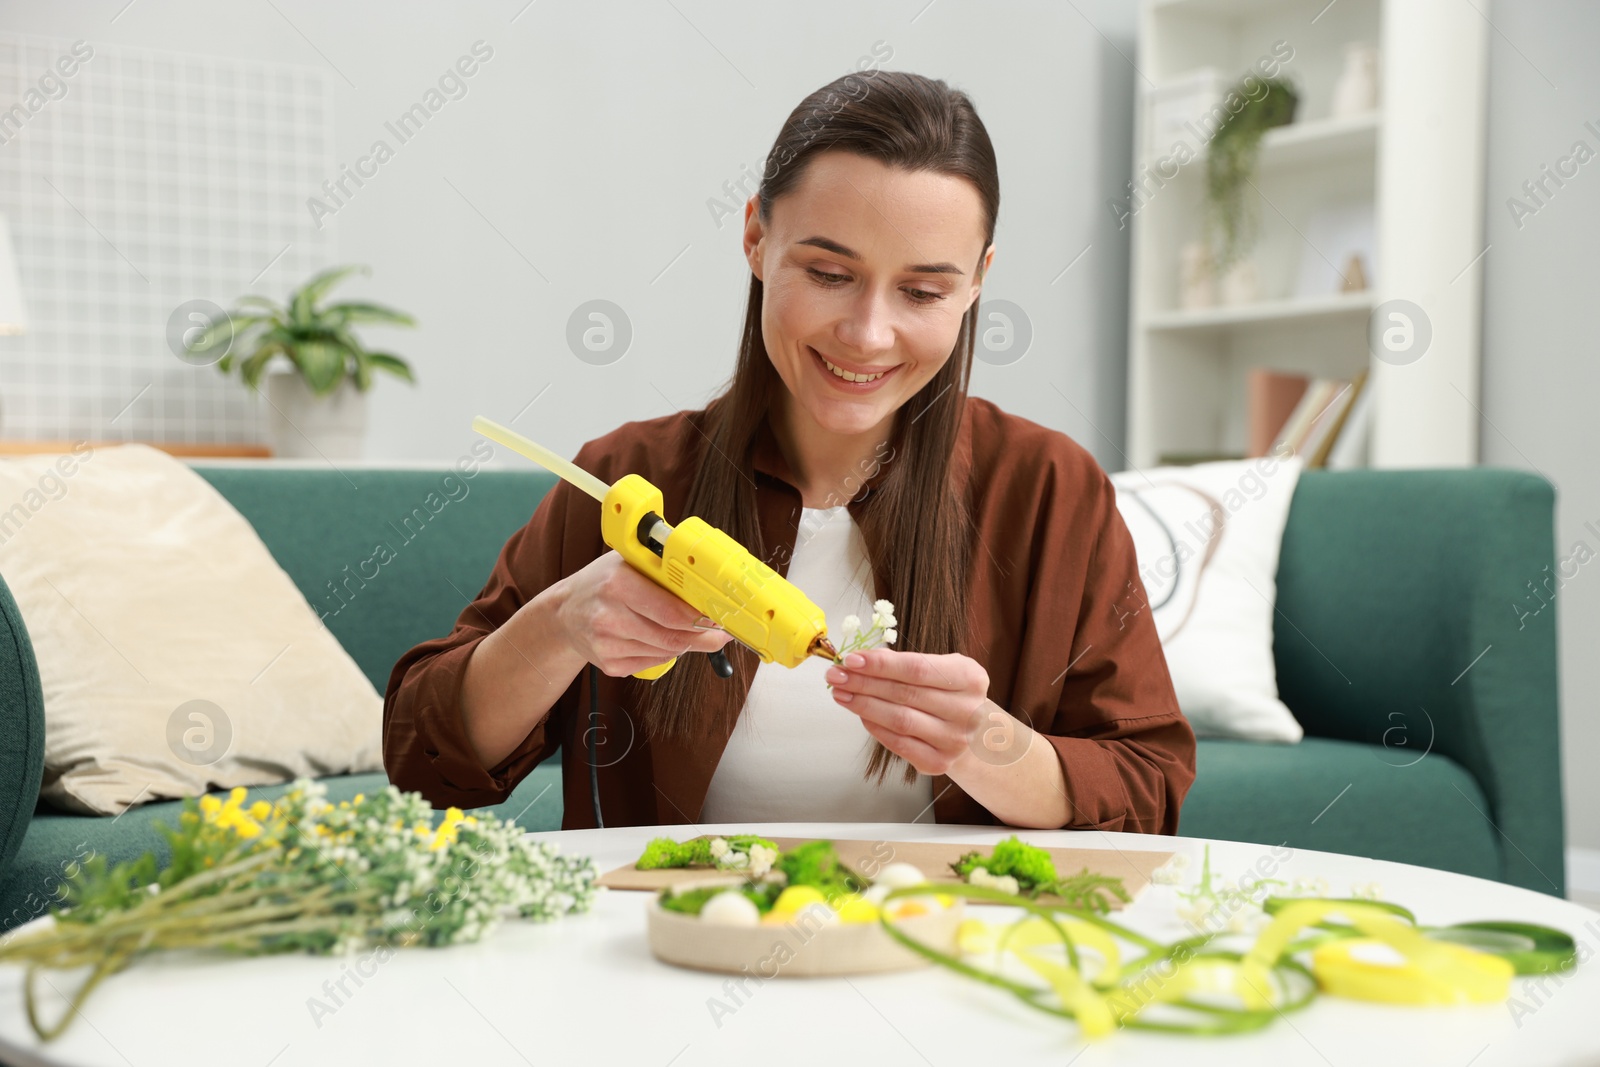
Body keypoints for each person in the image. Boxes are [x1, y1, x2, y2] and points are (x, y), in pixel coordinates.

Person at [383, 70, 1195, 833]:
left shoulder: (1050, 488)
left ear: (978, 281)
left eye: (921, 292)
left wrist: (988, 746)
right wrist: (557, 627)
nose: (868, 335)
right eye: (829, 272)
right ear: (755, 239)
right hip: (670, 949)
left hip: (950, 952)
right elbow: (426, 766)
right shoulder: (626, 481)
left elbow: (1149, 789)